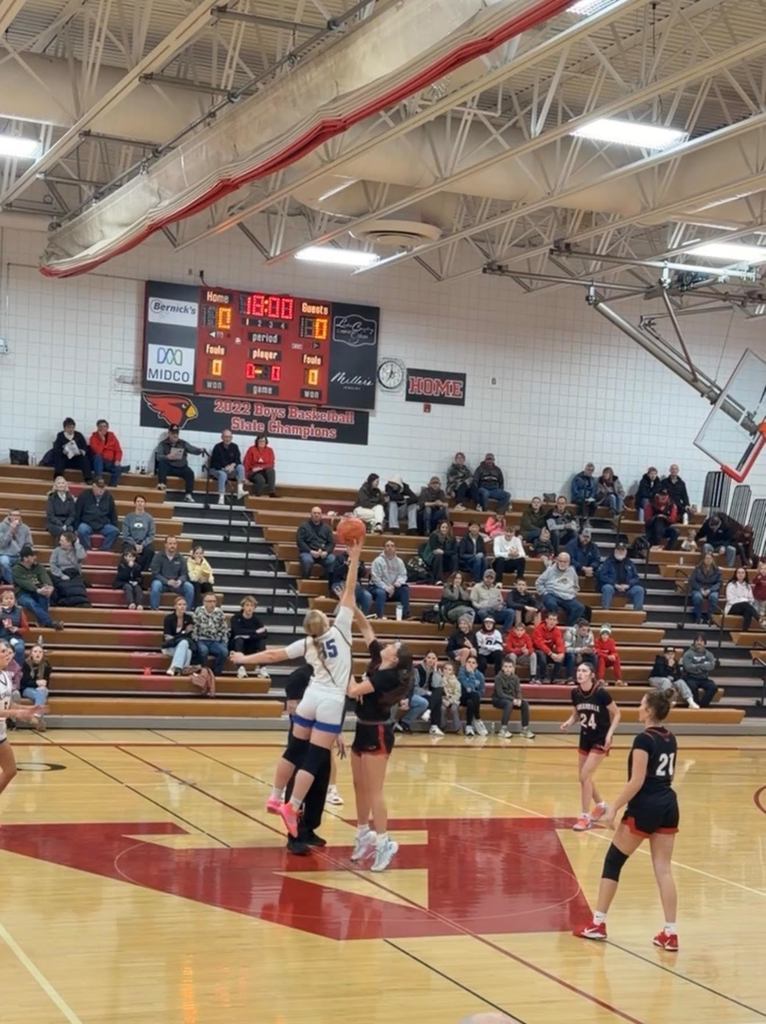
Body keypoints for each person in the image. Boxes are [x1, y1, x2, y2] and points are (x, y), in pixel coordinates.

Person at [230, 540, 362, 838]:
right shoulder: (341, 630)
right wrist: (354, 558)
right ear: (325, 622)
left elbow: (272, 655)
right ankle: (293, 805)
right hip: (330, 702)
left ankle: (275, 796)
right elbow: (350, 592)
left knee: (293, 750)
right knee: (314, 759)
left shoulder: (307, 643)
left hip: (310, 698)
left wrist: (243, 659)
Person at [574, 688, 679, 949]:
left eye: (642, 704)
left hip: (646, 806)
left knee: (613, 860)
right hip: (668, 804)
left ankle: (598, 924)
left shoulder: (644, 739)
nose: (639, 708)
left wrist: (613, 808)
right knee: (664, 869)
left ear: (650, 711)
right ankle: (671, 933)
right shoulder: (670, 738)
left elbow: (637, 781)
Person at [346, 610, 412, 871]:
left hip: (378, 733)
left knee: (375, 791)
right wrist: (352, 606)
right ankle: (363, 834)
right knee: (358, 786)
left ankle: (384, 843)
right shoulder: (378, 658)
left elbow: (353, 691)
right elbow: (366, 628)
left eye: (393, 646)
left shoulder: (388, 676)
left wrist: (344, 664)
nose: (387, 645)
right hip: (361, 728)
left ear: (393, 658)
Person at [560, 662, 621, 831]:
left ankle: (585, 817)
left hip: (601, 738)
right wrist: (568, 722)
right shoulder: (575, 693)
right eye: (578, 670)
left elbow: (617, 714)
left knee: (585, 776)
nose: (580, 673)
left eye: (584, 671)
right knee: (583, 777)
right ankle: (601, 806)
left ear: (592, 675)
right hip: (585, 737)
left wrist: (609, 734)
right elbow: (576, 715)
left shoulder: (601, 693)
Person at [281, 663, 332, 855]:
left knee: (320, 783)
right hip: (302, 738)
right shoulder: (300, 676)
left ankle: (309, 828)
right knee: (298, 784)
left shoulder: (330, 677)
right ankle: (293, 835)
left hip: (323, 736)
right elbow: (292, 709)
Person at [0, 641, 39, 789]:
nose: (7, 655)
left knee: (10, 771)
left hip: (1, 733)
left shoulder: (6, 676)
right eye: (3, 652)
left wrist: (27, 709)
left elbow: (7, 704)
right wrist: (16, 713)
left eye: (8, 651)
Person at [12, 546, 62, 630]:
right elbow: (25, 583)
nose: (35, 557)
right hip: (22, 593)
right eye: (32, 556)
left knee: (44, 597)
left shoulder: (38, 567)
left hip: (39, 591)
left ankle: (43, 622)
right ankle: (49, 623)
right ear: (25, 558)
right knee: (31, 603)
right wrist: (37, 590)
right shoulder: (16, 569)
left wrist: (50, 587)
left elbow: (45, 577)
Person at [535, 552, 586, 625]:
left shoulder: (572, 571)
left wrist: (573, 593)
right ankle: (553, 625)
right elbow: (538, 583)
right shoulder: (550, 570)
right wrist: (545, 593)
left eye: (565, 562)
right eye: (560, 561)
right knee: (551, 603)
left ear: (569, 562)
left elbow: (576, 586)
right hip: (552, 595)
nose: (562, 563)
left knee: (580, 607)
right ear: (557, 561)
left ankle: (569, 627)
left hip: (568, 597)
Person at [154, 426, 204, 501]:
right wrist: (167, 457)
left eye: (177, 433)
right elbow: (158, 457)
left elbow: (192, 449)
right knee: (162, 464)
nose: (175, 435)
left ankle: (188, 495)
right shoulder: (162, 444)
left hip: (181, 467)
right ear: (169, 433)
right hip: (169, 467)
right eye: (173, 433)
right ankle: (162, 486)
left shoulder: (183, 443)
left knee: (190, 473)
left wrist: (200, 450)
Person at [493, 656, 534, 739]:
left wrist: (519, 699)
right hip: (498, 699)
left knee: (525, 703)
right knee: (509, 704)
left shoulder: (516, 678)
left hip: (512, 699)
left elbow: (518, 691)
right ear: (502, 668)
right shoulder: (498, 678)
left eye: (510, 667)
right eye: (506, 667)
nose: (508, 669)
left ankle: (525, 729)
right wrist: (513, 699)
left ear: (513, 668)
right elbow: (500, 694)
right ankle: (503, 729)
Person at [149, 536, 194, 610]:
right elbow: (155, 574)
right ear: (165, 544)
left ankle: (186, 611)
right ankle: (154, 610)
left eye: (174, 543)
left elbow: (184, 574)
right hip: (162, 584)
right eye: (170, 543)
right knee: (156, 585)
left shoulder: (181, 558)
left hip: (176, 585)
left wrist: (180, 581)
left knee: (189, 587)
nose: (172, 546)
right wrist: (167, 582)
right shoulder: (158, 557)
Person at [598, 542, 645, 611]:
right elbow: (602, 576)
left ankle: (638, 613)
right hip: (613, 587)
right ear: (615, 551)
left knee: (639, 590)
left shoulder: (630, 563)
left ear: (626, 552)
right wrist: (615, 585)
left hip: (627, 588)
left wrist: (628, 585)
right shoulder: (608, 562)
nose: (620, 552)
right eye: (618, 550)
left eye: (622, 550)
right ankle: (605, 611)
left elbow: (636, 577)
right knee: (607, 588)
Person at [229, 596, 268, 679]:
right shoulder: (236, 618)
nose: (249, 608)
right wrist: (255, 632)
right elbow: (237, 631)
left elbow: (264, 634)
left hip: (251, 646)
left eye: (252, 606)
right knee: (239, 639)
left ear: (254, 608)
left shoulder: (257, 620)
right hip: (237, 646)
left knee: (261, 642)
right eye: (247, 605)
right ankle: (240, 668)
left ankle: (262, 668)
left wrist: (247, 635)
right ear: (243, 606)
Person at [73, 478, 118, 551]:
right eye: (99, 487)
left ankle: (104, 549)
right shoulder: (84, 495)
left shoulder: (109, 496)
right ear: (94, 486)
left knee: (114, 531)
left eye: (103, 488)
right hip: (87, 523)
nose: (101, 490)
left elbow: (113, 514)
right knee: (81, 530)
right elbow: (77, 512)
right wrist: (75, 527)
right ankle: (87, 549)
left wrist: (115, 525)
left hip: (103, 524)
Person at [370, 540, 410, 620]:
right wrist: (386, 588)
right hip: (379, 588)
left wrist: (395, 585)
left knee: (405, 590)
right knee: (381, 593)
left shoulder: (399, 561)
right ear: (384, 548)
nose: (390, 548)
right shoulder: (377, 561)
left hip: (393, 588)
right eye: (387, 546)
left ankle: (405, 616)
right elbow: (375, 578)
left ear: (395, 548)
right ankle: (380, 616)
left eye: (392, 546)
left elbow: (403, 575)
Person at [532, 610, 574, 682]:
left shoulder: (557, 631)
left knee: (566, 656)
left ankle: (556, 678)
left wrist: (561, 653)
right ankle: (543, 677)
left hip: (549, 653)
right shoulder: (538, 629)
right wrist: (550, 653)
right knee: (542, 655)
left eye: (554, 620)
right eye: (550, 619)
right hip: (538, 652)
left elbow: (560, 643)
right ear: (546, 620)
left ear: (557, 622)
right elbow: (540, 644)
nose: (552, 622)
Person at [49, 531, 89, 607]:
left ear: (69, 542)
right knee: (65, 586)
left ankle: (80, 602)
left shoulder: (77, 549)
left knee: (78, 587)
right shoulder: (57, 551)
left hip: (74, 574)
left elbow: (82, 556)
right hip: (61, 574)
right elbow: (53, 565)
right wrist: (61, 575)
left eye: (62, 541)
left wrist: (77, 544)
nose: (60, 542)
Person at [192, 592, 229, 675]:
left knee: (224, 652)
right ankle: (203, 672)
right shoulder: (198, 611)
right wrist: (196, 640)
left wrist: (224, 643)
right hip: (201, 639)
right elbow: (194, 628)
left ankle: (216, 673)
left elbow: (224, 629)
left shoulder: (219, 612)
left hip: (215, 641)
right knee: (203, 651)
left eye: (214, 601)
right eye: (209, 601)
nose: (212, 603)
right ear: (204, 602)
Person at [296, 506, 337, 580]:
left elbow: (331, 543)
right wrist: (311, 551)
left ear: (321, 515)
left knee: (332, 559)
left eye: (318, 513)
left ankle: (326, 581)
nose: (316, 515)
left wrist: (326, 552)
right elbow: (300, 541)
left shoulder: (327, 528)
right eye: (314, 513)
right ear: (311, 514)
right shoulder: (303, 526)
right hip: (308, 552)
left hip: (322, 554)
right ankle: (305, 581)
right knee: (307, 560)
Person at [328, 552, 372, 617]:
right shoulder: (339, 558)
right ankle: (341, 614)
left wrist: (358, 567)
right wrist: (345, 565)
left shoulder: (358, 559)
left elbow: (363, 574)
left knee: (368, 596)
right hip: (339, 583)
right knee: (351, 589)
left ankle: (363, 617)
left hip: (355, 586)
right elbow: (335, 573)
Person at [413, 651, 446, 737]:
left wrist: (435, 670)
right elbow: (414, 687)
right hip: (418, 693)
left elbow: (436, 685)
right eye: (429, 657)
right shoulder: (417, 669)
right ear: (425, 658)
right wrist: (426, 692)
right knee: (437, 699)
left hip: (430, 695)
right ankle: (434, 726)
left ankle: (428, 711)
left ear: (436, 660)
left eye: (433, 658)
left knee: (439, 691)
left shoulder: (436, 671)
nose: (431, 660)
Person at [208, 429, 245, 504]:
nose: (228, 439)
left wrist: (233, 465)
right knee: (223, 474)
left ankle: (240, 490)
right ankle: (221, 497)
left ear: (232, 438)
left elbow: (238, 460)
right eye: (226, 437)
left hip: (230, 470)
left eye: (229, 437)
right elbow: (214, 463)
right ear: (222, 437)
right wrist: (224, 468)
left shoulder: (235, 446)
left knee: (240, 467)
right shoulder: (217, 447)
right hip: (218, 470)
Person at [120, 495, 156, 572]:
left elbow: (151, 535)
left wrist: (142, 544)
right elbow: (126, 534)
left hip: (144, 543)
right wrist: (134, 544)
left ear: (145, 504)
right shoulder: (128, 517)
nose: (140, 503)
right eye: (138, 501)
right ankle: (128, 571)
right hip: (130, 543)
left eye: (142, 501)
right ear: (134, 503)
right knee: (127, 550)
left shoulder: (149, 518)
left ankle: (143, 572)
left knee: (150, 551)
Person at [680, 634, 718, 707]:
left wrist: (696, 666)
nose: (699, 642)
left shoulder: (709, 654)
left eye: (701, 641)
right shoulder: (688, 654)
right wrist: (703, 666)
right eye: (697, 640)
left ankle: (703, 706)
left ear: (705, 643)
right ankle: (695, 705)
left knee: (713, 687)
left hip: (704, 678)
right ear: (694, 642)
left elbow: (711, 666)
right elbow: (688, 667)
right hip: (691, 677)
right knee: (692, 686)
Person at [162, 595, 195, 675]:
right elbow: (168, 638)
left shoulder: (189, 618)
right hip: (169, 647)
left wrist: (179, 637)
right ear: (175, 606)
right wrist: (183, 633)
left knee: (188, 650)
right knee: (184, 643)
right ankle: (179, 669)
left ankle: (175, 669)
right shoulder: (168, 618)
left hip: (182, 646)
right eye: (179, 604)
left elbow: (189, 637)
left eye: (184, 604)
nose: (182, 606)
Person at [21, 642, 51, 731]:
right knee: (42, 695)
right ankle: (39, 719)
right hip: (27, 689)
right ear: (31, 654)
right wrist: (36, 683)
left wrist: (43, 684)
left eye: (40, 652)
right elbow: (24, 682)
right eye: (35, 652)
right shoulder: (25, 664)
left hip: (41, 689)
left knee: (42, 691)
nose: (37, 654)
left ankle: (36, 716)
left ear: (43, 654)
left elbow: (46, 682)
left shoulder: (47, 666)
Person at [88, 419, 126, 487]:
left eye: (104, 426)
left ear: (107, 428)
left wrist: (117, 460)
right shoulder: (93, 438)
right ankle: (99, 479)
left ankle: (112, 486)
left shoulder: (112, 437)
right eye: (100, 426)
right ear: (97, 428)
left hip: (109, 462)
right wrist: (102, 440)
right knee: (98, 457)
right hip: (98, 463)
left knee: (118, 467)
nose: (102, 428)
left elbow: (118, 450)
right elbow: (97, 451)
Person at [688, 552, 722, 624]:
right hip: (699, 588)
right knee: (697, 597)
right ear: (703, 559)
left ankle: (710, 617)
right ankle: (698, 617)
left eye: (710, 558)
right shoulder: (697, 568)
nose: (708, 560)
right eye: (706, 558)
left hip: (711, 589)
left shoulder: (717, 570)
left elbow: (719, 583)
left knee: (714, 597)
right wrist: (700, 589)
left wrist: (710, 590)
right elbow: (693, 581)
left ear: (712, 559)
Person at [0, 510, 33, 584]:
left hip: (20, 555)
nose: (16, 517)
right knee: (4, 562)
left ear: (20, 517)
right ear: (9, 516)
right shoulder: (1, 526)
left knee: (29, 563)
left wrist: (26, 555)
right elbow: (2, 544)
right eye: (13, 515)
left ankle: (17, 583)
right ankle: (15, 583)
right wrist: (11, 530)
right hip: (5, 554)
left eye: (18, 515)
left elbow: (29, 544)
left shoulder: (25, 528)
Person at [458, 654, 487, 736]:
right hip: (462, 697)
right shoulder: (461, 672)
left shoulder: (480, 675)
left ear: (476, 665)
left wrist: (472, 691)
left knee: (471, 701)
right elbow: (466, 686)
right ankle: (478, 718)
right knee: (474, 694)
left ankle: (469, 726)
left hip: (474, 699)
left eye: (473, 663)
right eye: (469, 662)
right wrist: (471, 673)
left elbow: (481, 691)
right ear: (465, 663)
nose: (471, 664)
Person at [724, 566, 759, 630]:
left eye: (743, 573)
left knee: (748, 611)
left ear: (745, 575)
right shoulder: (731, 585)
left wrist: (744, 600)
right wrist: (744, 600)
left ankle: (744, 630)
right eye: (739, 573)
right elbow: (730, 600)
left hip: (745, 608)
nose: (741, 574)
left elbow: (751, 599)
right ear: (736, 574)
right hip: (732, 608)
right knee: (745, 605)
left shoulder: (747, 585)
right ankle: (759, 619)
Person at [0, 590, 27, 667]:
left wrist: (17, 629)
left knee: (19, 649)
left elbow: (26, 629)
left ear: (14, 600)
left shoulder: (19, 610)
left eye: (11, 598)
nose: (9, 600)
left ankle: (17, 671)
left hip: (16, 637)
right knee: (3, 649)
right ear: (2, 601)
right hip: (2, 637)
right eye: (6, 598)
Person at [441, 662, 462, 733]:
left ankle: (458, 728)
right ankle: (442, 726)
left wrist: (450, 701)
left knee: (454, 709)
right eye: (445, 669)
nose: (447, 671)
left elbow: (457, 695)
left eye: (449, 669)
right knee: (442, 708)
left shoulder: (456, 682)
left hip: (453, 700)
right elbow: (439, 693)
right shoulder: (439, 680)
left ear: (453, 672)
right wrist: (444, 700)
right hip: (443, 700)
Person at [753, 558, 766, 626]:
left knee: (762, 610)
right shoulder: (758, 576)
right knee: (756, 608)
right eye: (762, 569)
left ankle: (761, 620)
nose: (763, 570)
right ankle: (755, 620)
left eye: (765, 569)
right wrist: (758, 579)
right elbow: (754, 582)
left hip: (764, 598)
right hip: (757, 596)